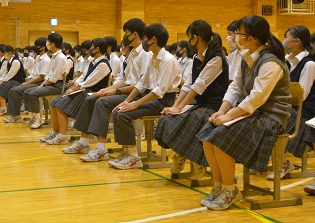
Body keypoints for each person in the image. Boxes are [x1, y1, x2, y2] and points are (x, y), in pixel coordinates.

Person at [196, 15, 291, 210]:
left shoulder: (270, 63)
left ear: (252, 38)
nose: (235, 37)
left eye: (239, 34)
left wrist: (229, 116)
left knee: (221, 137)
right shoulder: (245, 58)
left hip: (270, 117)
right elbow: (235, 88)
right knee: (207, 134)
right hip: (251, 113)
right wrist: (221, 112)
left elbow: (257, 98)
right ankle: (219, 186)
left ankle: (231, 191)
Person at [62, 18, 150, 161]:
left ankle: (101, 149)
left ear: (134, 34)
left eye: (126, 33)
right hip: (127, 90)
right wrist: (107, 89)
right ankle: (84, 142)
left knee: (101, 103)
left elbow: (141, 84)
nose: (125, 36)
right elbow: (123, 80)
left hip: (138, 94)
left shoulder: (145, 55)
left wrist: (114, 92)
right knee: (90, 99)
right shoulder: (133, 54)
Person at [154, 20, 229, 180]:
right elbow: (188, 85)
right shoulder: (197, 57)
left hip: (214, 105)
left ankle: (198, 163)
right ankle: (180, 153)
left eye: (190, 38)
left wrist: (180, 107)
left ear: (195, 37)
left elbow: (198, 86)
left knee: (195, 119)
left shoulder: (216, 58)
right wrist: (175, 107)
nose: (189, 41)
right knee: (169, 118)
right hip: (200, 103)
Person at [110, 23, 182, 169]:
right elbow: (142, 84)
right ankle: (127, 152)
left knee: (124, 115)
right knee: (119, 110)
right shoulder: (153, 58)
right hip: (153, 98)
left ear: (153, 39)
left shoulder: (168, 60)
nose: (143, 41)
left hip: (165, 101)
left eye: (145, 38)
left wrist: (135, 104)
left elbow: (158, 91)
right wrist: (127, 101)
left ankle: (133, 158)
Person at [265, 26, 315, 181]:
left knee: (271, 120)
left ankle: (283, 163)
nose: (284, 41)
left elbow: (301, 95)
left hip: (303, 112)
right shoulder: (286, 61)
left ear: (296, 41)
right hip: (287, 107)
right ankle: (283, 162)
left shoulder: (309, 64)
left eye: (286, 38)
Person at [45, 38, 111, 145]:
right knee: (54, 104)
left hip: (91, 92)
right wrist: (76, 83)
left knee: (60, 106)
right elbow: (83, 76)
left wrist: (77, 87)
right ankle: (56, 132)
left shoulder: (104, 64)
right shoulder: (92, 61)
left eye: (91, 48)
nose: (89, 50)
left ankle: (62, 136)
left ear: (97, 49)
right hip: (83, 88)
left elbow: (91, 81)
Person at [23, 33, 67, 129]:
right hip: (50, 83)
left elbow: (54, 78)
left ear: (52, 43)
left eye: (48, 41)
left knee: (33, 93)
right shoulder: (54, 56)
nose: (46, 43)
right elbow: (49, 75)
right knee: (27, 91)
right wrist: (42, 84)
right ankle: (34, 116)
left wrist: (43, 85)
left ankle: (39, 119)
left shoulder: (60, 57)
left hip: (57, 86)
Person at [3, 37, 51, 123]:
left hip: (40, 82)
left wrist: (27, 83)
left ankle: (17, 116)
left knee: (16, 91)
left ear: (43, 47)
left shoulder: (46, 60)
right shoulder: (39, 58)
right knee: (13, 90)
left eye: (37, 46)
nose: (34, 48)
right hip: (34, 80)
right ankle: (16, 115)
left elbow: (42, 77)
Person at [0, 45, 26, 116]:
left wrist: (2, 81)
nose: (4, 55)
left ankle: (4, 108)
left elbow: (11, 74)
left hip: (17, 81)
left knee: (0, 87)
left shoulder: (16, 61)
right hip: (11, 79)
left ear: (9, 53)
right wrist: (0, 81)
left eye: (5, 53)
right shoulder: (8, 60)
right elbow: (5, 73)